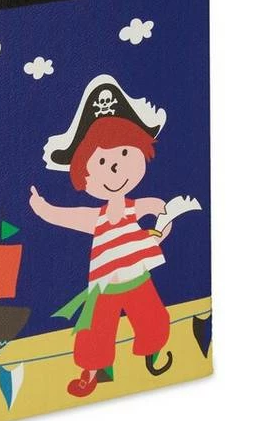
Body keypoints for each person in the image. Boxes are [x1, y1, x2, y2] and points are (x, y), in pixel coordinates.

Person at [31, 75, 173, 398]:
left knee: (152, 320)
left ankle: (153, 353)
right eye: (103, 161)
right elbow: (63, 216)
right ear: (84, 174)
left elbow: (164, 215)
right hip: (105, 287)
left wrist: (159, 231)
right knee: (96, 331)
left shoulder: (137, 207)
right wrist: (42, 208)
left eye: (124, 154)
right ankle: (92, 372)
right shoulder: (96, 218)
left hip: (138, 279)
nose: (115, 168)